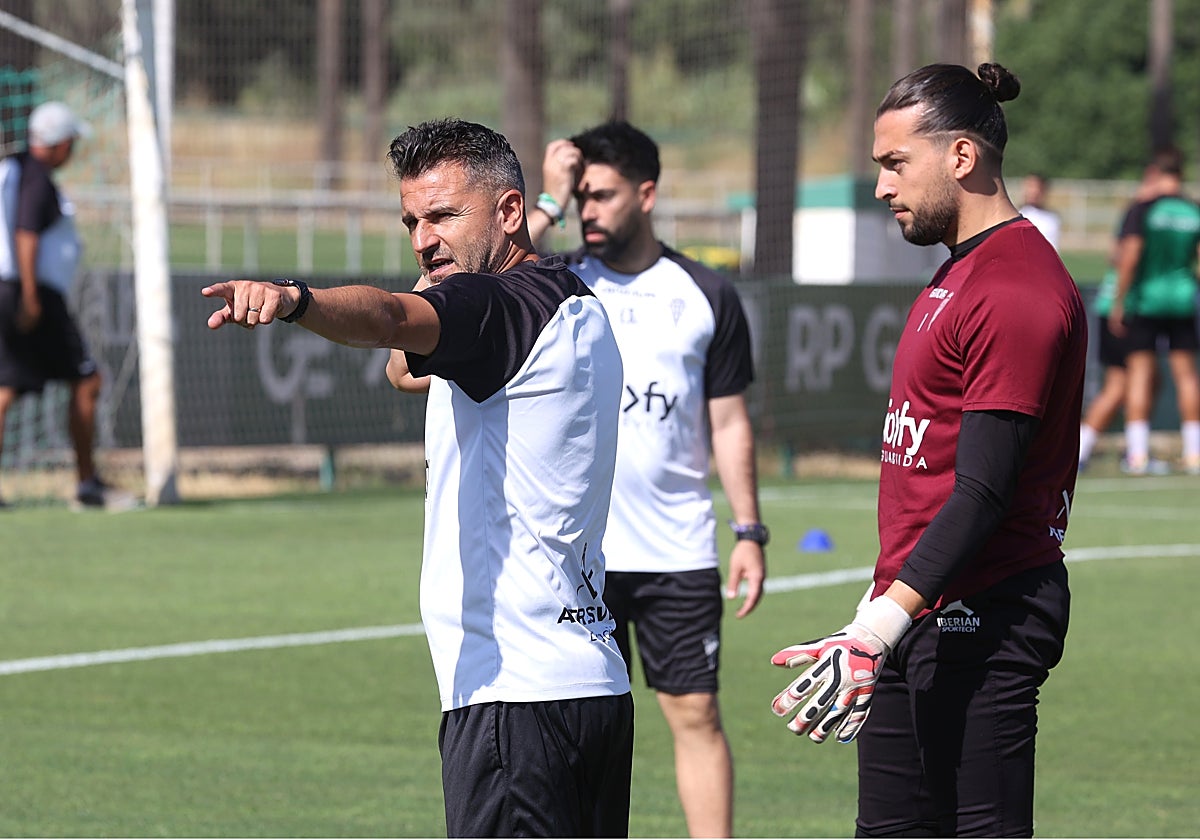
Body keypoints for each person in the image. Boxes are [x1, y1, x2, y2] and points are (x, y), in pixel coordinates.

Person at [203, 118, 634, 838]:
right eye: (410, 221)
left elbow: (389, 321)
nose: (422, 239)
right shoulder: (562, 300)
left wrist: (294, 299)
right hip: (591, 687)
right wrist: (451, 264)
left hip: (513, 700)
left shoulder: (491, 307)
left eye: (441, 216)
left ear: (508, 211)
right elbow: (406, 368)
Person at [769, 64, 1087, 837]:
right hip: (919, 611)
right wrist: (876, 615)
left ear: (962, 157)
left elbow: (982, 490)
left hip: (986, 612)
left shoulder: (1014, 289)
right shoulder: (960, 273)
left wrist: (878, 625)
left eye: (894, 164)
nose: (881, 188)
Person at [526, 120, 767, 838]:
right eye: (580, 197)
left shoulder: (705, 294)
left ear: (648, 193)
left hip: (676, 551)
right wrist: (548, 197)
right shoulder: (559, 282)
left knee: (696, 714)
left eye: (599, 195)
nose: (587, 210)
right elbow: (481, 280)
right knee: (579, 725)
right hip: (576, 559)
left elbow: (728, 424)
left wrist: (749, 530)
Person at [0, 101, 131, 509]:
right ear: (56, 144)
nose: (73, 149)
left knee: (5, 387)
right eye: (70, 141)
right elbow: (26, 233)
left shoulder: (11, 168)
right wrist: (31, 297)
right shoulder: (36, 177)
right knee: (87, 381)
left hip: (11, 289)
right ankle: (88, 484)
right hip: (29, 293)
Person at [1107, 146, 1200, 476]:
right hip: (1182, 299)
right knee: (1186, 375)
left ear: (1157, 174)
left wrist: (1119, 299)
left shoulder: (1144, 208)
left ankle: (1137, 454)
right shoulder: (1193, 210)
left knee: (1140, 374)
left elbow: (1130, 255)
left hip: (1147, 299)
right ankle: (1194, 454)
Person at [1078, 169, 1163, 471]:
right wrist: (1120, 303)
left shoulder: (1137, 215)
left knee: (1124, 385)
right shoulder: (1144, 215)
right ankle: (1137, 455)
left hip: (1114, 304)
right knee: (1138, 379)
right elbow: (1125, 258)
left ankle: (1080, 451)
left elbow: (1117, 255)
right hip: (1125, 308)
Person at [1018, 172, 1061, 250]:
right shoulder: (1016, 216)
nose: (1033, 191)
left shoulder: (1052, 218)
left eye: (1036, 187)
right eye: (1030, 186)